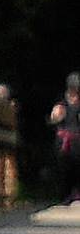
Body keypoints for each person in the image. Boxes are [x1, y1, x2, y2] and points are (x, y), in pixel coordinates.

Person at [48, 72, 80, 203]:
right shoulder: (61, 103)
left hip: (78, 140)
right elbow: (53, 119)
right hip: (64, 141)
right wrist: (56, 116)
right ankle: (65, 194)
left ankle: (76, 191)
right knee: (64, 168)